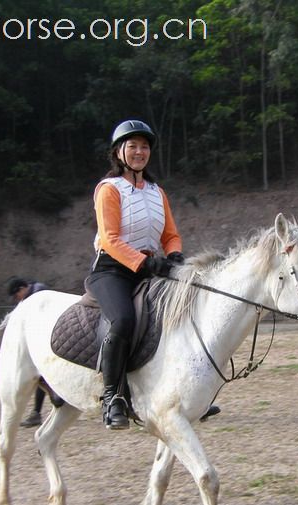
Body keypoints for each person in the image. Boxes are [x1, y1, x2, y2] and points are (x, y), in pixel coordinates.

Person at [86, 119, 186, 430]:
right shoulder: (109, 190)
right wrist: (146, 265)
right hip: (112, 270)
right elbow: (111, 240)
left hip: (150, 268)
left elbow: (170, 234)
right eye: (133, 147)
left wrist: (174, 256)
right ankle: (112, 396)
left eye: (144, 147)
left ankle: (185, 393)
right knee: (124, 320)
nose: (140, 152)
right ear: (119, 152)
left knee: (182, 314)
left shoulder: (158, 192)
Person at [6, 276, 50, 427]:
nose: (17, 299)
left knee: (41, 376)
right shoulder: (32, 295)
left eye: (16, 295)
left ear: (21, 289)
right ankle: (41, 409)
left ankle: (38, 412)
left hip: (47, 342)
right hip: (41, 342)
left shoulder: (39, 292)